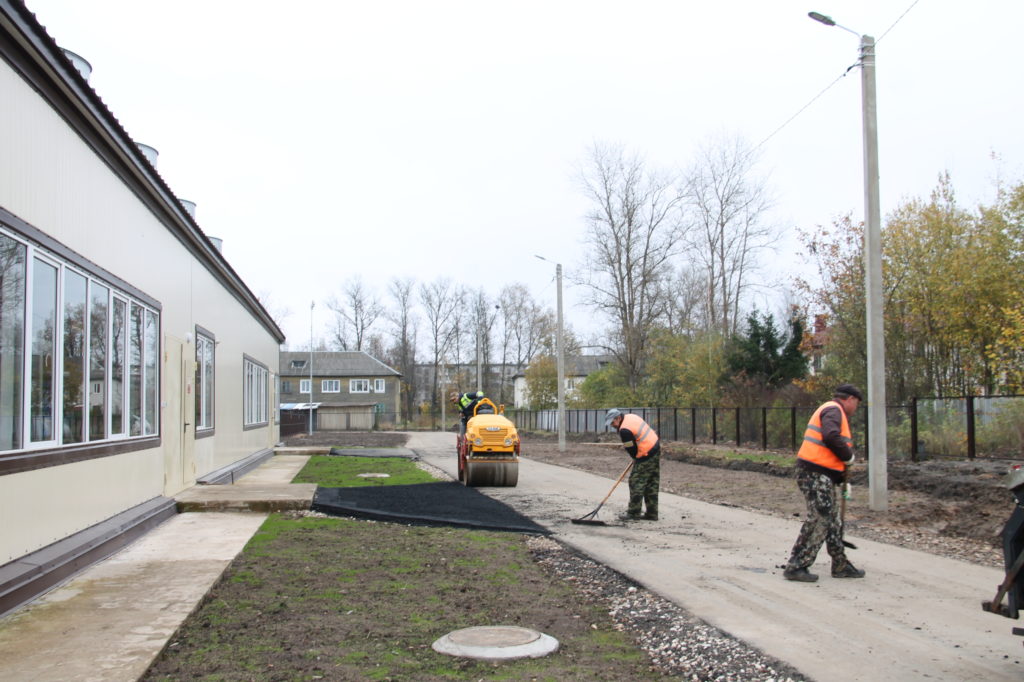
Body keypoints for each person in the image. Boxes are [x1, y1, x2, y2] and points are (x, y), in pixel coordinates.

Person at [783, 383, 866, 582]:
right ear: (850, 399)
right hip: (813, 473)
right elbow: (830, 436)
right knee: (821, 517)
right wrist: (848, 456)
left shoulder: (834, 411)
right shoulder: (833, 410)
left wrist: (840, 479)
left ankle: (840, 564)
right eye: (856, 404)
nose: (856, 409)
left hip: (822, 475)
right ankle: (797, 565)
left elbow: (827, 451)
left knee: (833, 520)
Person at [604, 408, 660, 521]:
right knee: (651, 482)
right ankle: (652, 513)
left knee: (636, 482)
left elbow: (631, 448)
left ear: (618, 418)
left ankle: (634, 513)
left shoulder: (624, 430)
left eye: (613, 422)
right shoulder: (631, 416)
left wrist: (636, 458)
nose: (612, 425)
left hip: (646, 452)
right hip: (656, 446)